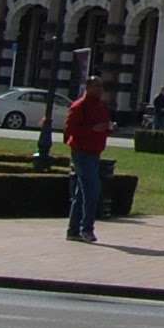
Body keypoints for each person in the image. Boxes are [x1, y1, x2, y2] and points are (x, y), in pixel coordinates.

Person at [62, 77, 112, 243]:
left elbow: (104, 125)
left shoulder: (101, 106)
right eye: (96, 86)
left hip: (95, 152)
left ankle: (73, 230)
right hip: (81, 152)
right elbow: (70, 130)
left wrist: (108, 128)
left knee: (82, 193)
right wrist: (92, 129)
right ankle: (87, 229)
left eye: (101, 86)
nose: (100, 90)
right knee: (92, 190)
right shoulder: (79, 106)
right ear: (88, 87)